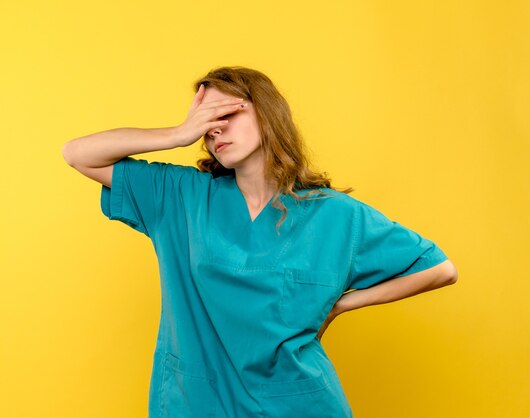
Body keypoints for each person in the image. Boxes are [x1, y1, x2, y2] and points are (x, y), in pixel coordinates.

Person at [62, 66, 458, 418]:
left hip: (296, 401)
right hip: (198, 401)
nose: (213, 128)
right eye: (205, 121)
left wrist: (341, 304)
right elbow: (78, 154)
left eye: (226, 113)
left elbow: (440, 269)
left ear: (267, 115)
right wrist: (178, 134)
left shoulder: (335, 214)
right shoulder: (182, 196)